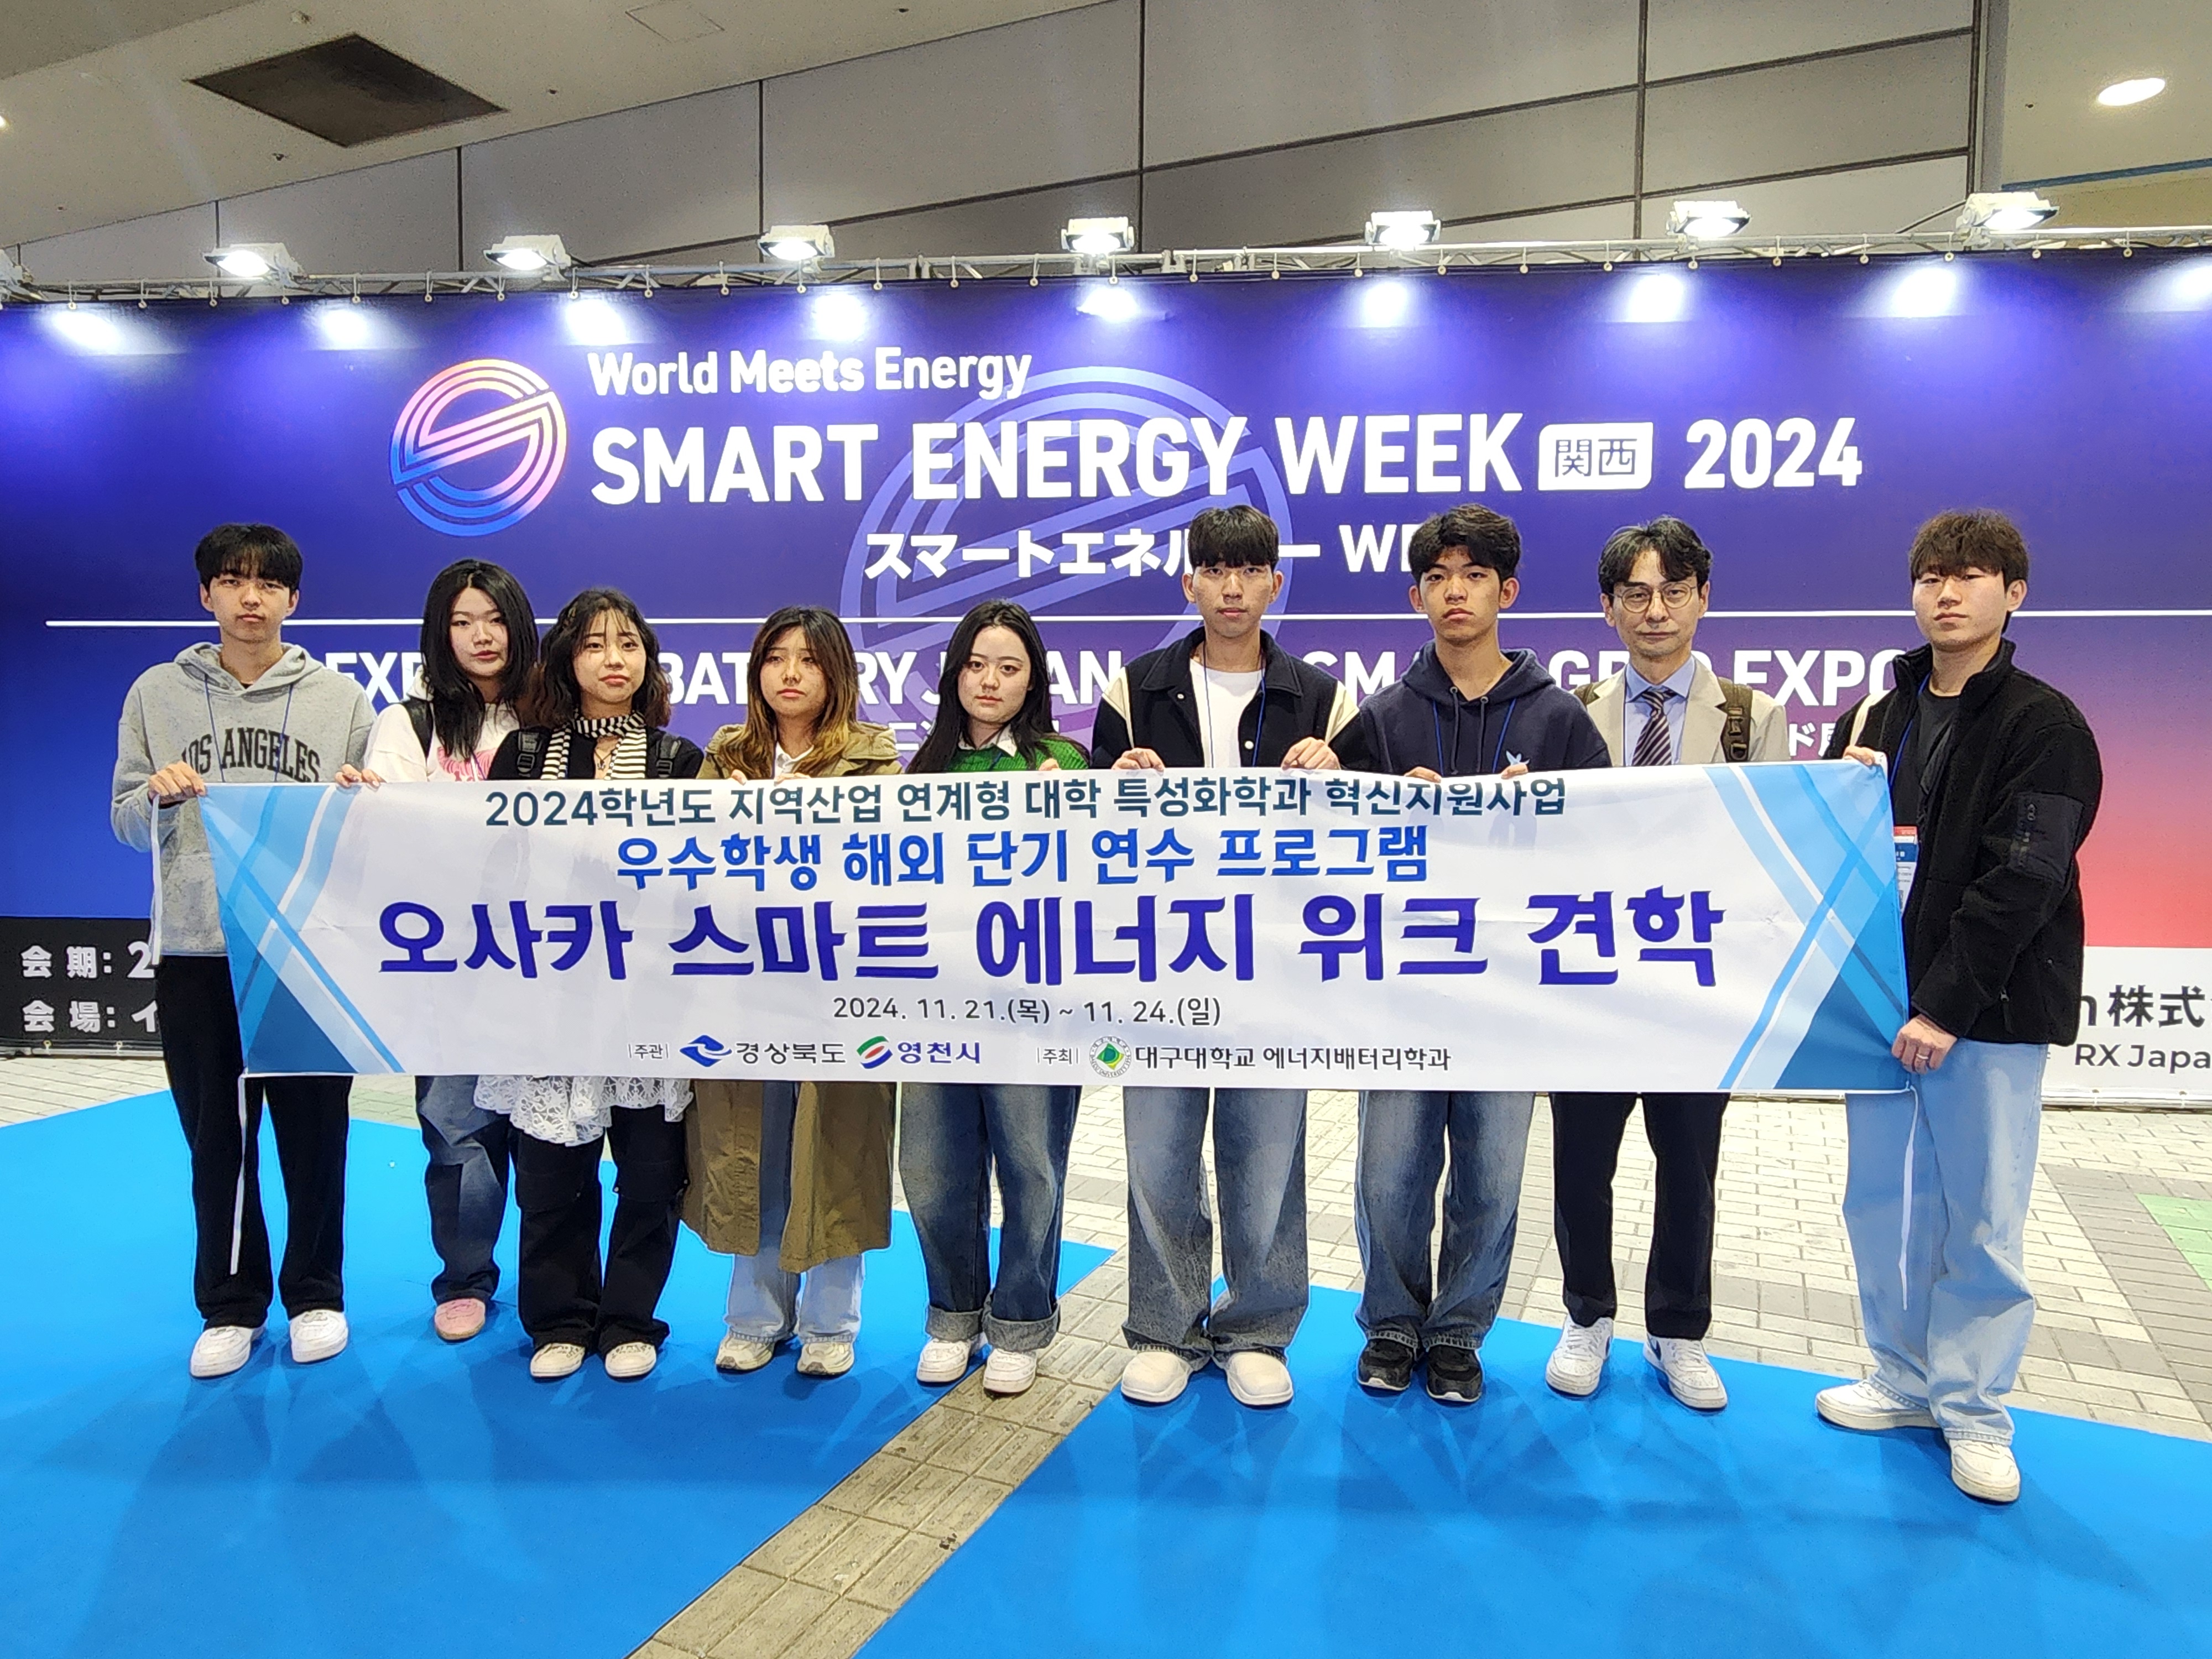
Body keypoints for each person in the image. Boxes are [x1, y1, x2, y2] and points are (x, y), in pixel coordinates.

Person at [1818, 510, 2101, 1505]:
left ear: (2013, 593)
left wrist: (1943, 1006)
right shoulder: (1875, 716)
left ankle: (1975, 1410)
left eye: (1972, 575)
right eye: (1931, 576)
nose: (1947, 593)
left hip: (1984, 1013)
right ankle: (1900, 1378)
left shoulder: (2043, 725)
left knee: (1980, 1215)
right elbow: (1829, 852)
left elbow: (2025, 878)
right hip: (1876, 1008)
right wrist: (1840, 792)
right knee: (1882, 1204)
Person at [1332, 504, 1610, 1405]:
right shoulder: (1380, 720)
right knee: (1390, 1177)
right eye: (1439, 578)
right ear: (1417, 596)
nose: (1457, 592)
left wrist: (1541, 823)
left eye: (1476, 576)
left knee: (1490, 1178)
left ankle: (1457, 1333)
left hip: (1509, 999)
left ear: (1508, 592)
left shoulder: (1562, 721)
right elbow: (1326, 851)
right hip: (1399, 994)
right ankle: (1391, 1325)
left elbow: (1610, 849)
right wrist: (1381, 811)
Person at [1092, 503, 1353, 1410]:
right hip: (1159, 964)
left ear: (1274, 584)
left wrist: (1341, 781)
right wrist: (1113, 789)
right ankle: (1166, 1327)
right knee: (1158, 1153)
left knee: (1267, 1158)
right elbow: (1090, 841)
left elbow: (1368, 843)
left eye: (1249, 571)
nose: (1232, 587)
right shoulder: (1136, 690)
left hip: (1277, 971)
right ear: (1189, 582)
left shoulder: (1323, 699)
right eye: (1214, 569)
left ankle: (1256, 1329)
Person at [111, 523, 374, 1379]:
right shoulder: (156, 693)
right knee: (217, 1140)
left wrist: (362, 802)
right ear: (206, 594)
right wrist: (154, 796)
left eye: (267, 583)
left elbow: (370, 836)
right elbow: (123, 822)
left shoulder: (342, 701)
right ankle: (231, 1306)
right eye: (232, 580)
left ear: (294, 598)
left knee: (315, 1135)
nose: (250, 597)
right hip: (196, 950)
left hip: (306, 951)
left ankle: (317, 1295)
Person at [1544, 517, 1787, 1412]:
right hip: (1593, 982)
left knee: (1690, 1168)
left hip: (1697, 986)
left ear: (1703, 599)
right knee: (1581, 1166)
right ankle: (1587, 1315)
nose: (1656, 610)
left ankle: (1678, 1330)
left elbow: (1772, 858)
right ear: (1608, 608)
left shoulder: (1753, 718)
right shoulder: (1569, 711)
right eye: (1636, 594)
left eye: (1674, 592)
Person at [477, 588, 702, 1383]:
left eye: (630, 644)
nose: (615, 660)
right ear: (566, 659)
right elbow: (490, 867)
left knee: (650, 1173)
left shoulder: (680, 761)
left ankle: (631, 1318)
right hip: (548, 995)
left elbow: (701, 882)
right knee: (551, 1174)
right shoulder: (524, 755)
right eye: (596, 645)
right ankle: (560, 1317)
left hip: (648, 998)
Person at [685, 606, 901, 1381]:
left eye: (809, 659)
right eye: (776, 658)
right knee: (754, 1147)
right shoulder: (726, 758)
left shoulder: (875, 761)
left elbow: (892, 872)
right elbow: (685, 870)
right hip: (744, 988)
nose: (790, 673)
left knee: (833, 1148)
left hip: (836, 991)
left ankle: (831, 1322)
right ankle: (754, 1318)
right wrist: (730, 822)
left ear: (836, 673)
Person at [900, 601, 1087, 1397]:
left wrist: (1068, 814)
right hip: (936, 1005)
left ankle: (1019, 1321)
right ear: (953, 675)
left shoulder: (1063, 762)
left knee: (1031, 1167)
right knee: (932, 1167)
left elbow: (1099, 882)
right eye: (976, 665)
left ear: (1033, 681)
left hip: (1034, 1007)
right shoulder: (922, 768)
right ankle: (952, 1314)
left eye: (1010, 668)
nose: (990, 681)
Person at [357, 559, 540, 1344]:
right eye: (462, 622)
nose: (481, 636)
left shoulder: (552, 714)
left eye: (494, 619)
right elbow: (391, 828)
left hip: (555, 960)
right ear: (440, 632)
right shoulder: (411, 724)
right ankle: (465, 1277)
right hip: (453, 965)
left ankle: (557, 1289)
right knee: (457, 1129)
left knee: (553, 1137)